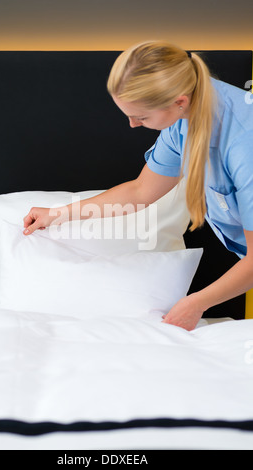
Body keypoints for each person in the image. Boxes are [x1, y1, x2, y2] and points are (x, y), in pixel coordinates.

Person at [23, 40, 253, 331]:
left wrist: (196, 303)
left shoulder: (245, 143)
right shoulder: (186, 116)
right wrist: (58, 214)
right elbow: (141, 191)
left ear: (178, 101)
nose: (132, 124)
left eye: (141, 117)